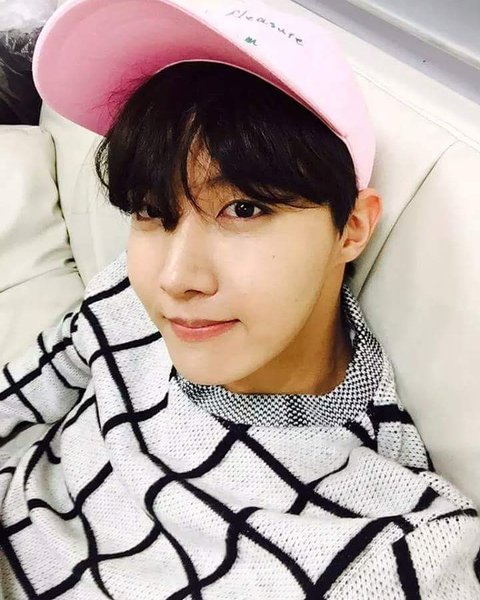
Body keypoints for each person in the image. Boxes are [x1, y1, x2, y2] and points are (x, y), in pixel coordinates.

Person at [1, 0, 479, 598]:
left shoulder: (391, 551)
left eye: (244, 209)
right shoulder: (131, 288)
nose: (176, 278)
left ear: (352, 228)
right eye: (151, 210)